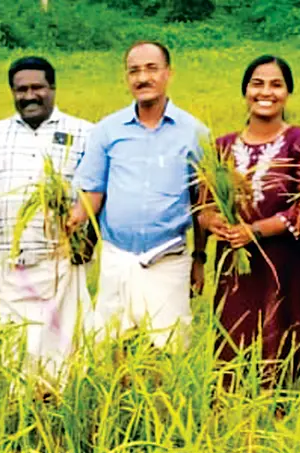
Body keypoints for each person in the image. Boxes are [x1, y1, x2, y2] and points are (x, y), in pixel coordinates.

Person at [0, 56, 93, 389]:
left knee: (65, 351)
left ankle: (64, 421)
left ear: (53, 88)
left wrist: (88, 238)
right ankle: (23, 420)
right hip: (13, 263)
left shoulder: (83, 132)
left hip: (64, 261)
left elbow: (97, 191)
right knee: (17, 351)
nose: (29, 95)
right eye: (21, 89)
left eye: (37, 87)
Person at [197, 55, 300, 404]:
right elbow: (203, 206)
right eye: (257, 83)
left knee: (286, 340)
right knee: (234, 343)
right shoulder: (222, 146)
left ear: (287, 93)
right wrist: (215, 223)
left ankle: (288, 423)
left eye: (275, 84)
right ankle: (234, 425)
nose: (265, 92)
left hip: (288, 267)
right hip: (237, 270)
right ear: (245, 91)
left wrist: (254, 231)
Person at [69, 41, 206, 352]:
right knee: (112, 346)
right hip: (117, 257)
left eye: (151, 69)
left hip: (169, 259)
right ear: (126, 77)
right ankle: (116, 403)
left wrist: (199, 259)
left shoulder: (194, 132)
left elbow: (203, 203)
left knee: (167, 348)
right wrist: (72, 220)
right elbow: (93, 194)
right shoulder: (107, 130)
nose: (142, 78)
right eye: (134, 71)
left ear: (168, 73)